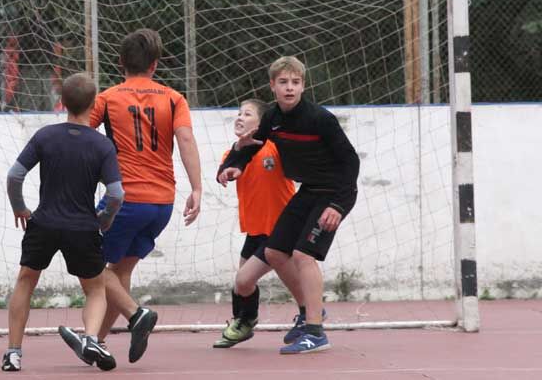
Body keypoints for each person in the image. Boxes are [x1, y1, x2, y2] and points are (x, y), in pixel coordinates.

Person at [71, 28, 202, 364]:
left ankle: (135, 313)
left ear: (120, 62)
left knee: (88, 264)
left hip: (124, 200)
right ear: (155, 65)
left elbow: (81, 133)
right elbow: (185, 140)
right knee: (120, 270)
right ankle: (97, 342)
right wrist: (197, 188)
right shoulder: (174, 98)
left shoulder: (109, 98)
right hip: (162, 203)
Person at [218, 56, 359, 354]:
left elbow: (350, 162)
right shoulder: (272, 117)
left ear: (303, 85)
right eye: (283, 82)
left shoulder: (320, 119)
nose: (290, 87)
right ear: (272, 86)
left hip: (333, 193)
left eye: (295, 82)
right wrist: (234, 166)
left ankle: (315, 332)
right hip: (309, 191)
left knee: (302, 255)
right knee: (274, 251)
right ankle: (312, 311)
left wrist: (338, 205)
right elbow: (251, 144)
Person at [1, 73, 124, 373]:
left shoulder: (45, 136)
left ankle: (13, 353)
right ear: (93, 105)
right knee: (95, 289)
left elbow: (15, 175)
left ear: (62, 102)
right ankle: (92, 338)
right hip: (83, 227)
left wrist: (20, 207)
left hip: (43, 223)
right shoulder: (102, 145)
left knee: (26, 281)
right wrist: (104, 219)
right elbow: (116, 193)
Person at [212, 99, 296, 349]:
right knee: (243, 282)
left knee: (243, 281)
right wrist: (224, 173)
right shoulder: (233, 152)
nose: (239, 117)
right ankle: (244, 321)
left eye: (247, 114)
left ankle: (247, 321)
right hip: (256, 230)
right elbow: (222, 171)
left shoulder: (274, 147)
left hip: (281, 228)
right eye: (238, 113)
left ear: (261, 124)